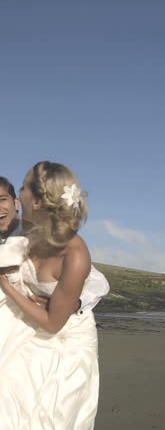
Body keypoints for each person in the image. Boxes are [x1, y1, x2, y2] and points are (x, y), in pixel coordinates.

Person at [0, 161, 105, 429]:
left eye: (6, 198)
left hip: (62, 333)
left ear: (20, 202)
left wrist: (75, 302)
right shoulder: (29, 231)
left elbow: (96, 281)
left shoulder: (63, 247)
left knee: (52, 413)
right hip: (27, 328)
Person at [0, 175, 110, 313]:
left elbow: (98, 281)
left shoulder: (45, 235)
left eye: (2, 200)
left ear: (16, 203)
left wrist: (72, 304)